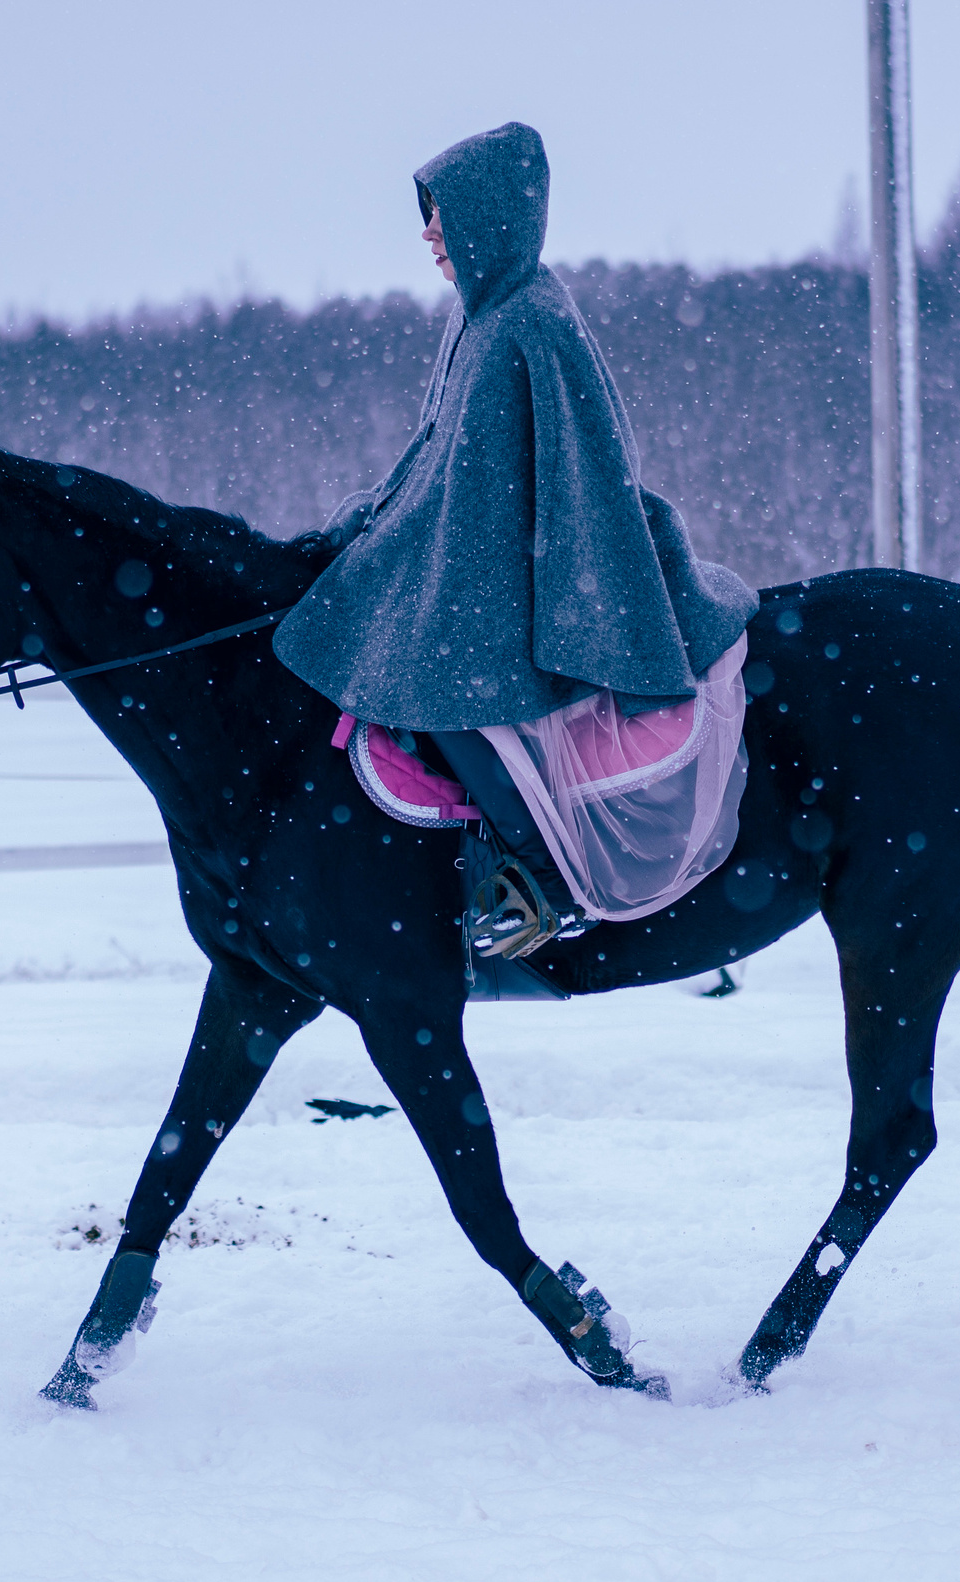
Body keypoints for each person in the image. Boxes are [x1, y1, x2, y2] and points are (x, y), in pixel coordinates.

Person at [274, 122, 758, 958]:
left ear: (490, 219)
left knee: (437, 681)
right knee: (393, 642)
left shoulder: (528, 326)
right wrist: (369, 523)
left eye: (443, 215)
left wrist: (441, 558)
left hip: (535, 572)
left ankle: (543, 880)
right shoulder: (478, 321)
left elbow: (578, 474)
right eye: (426, 214)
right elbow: (439, 462)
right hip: (488, 565)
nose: (428, 234)